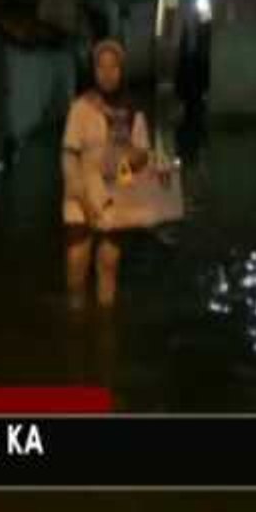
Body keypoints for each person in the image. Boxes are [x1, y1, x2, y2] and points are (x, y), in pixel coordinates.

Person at [62, 39, 151, 309]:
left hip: (116, 197)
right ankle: (77, 332)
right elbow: (68, 157)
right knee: (76, 270)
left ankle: (104, 332)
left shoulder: (133, 110)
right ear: (94, 71)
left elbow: (143, 154)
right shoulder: (81, 107)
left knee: (108, 266)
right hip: (79, 198)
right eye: (101, 67)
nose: (107, 73)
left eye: (114, 67)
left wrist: (128, 153)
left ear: (122, 70)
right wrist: (83, 201)